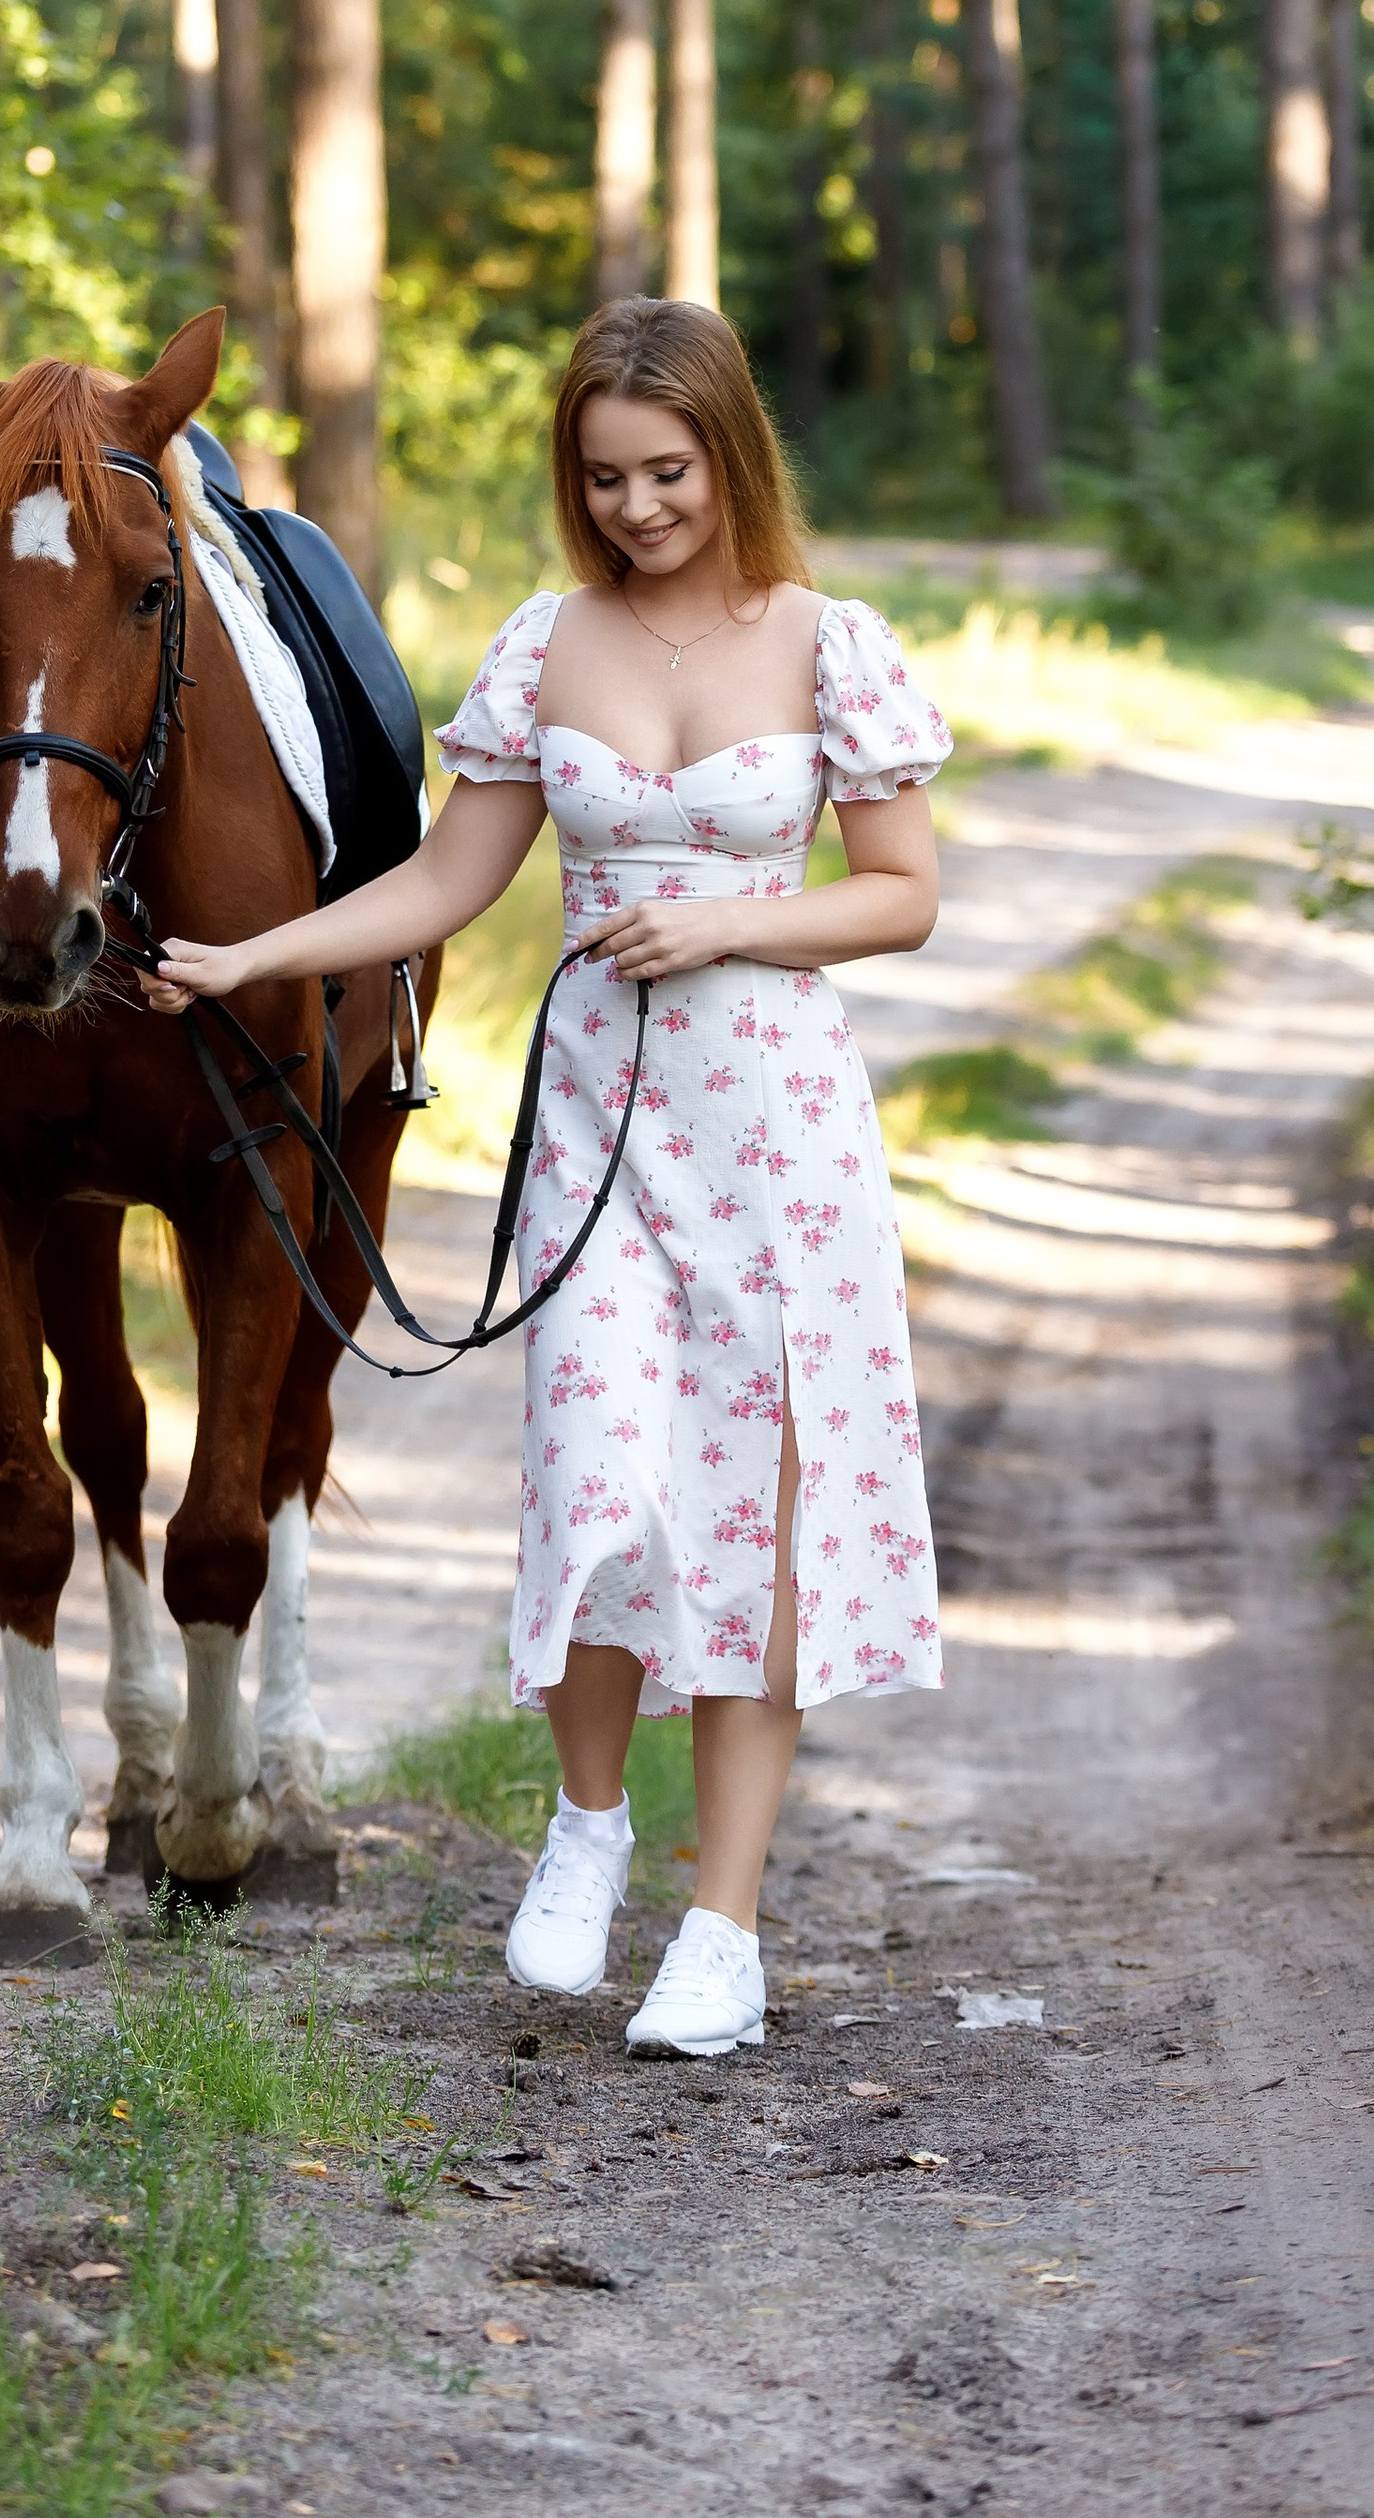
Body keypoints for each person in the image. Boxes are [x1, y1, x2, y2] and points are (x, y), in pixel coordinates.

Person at [145, 297, 949, 2056]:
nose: (640, 506)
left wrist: (734, 916)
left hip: (780, 1135)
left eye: (668, 471)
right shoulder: (548, 644)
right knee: (599, 1480)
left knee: (757, 1517)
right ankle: (589, 1827)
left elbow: (902, 892)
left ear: (729, 453)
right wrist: (250, 955)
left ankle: (722, 1932)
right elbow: (445, 885)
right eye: (605, 477)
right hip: (600, 1123)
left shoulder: (830, 643)